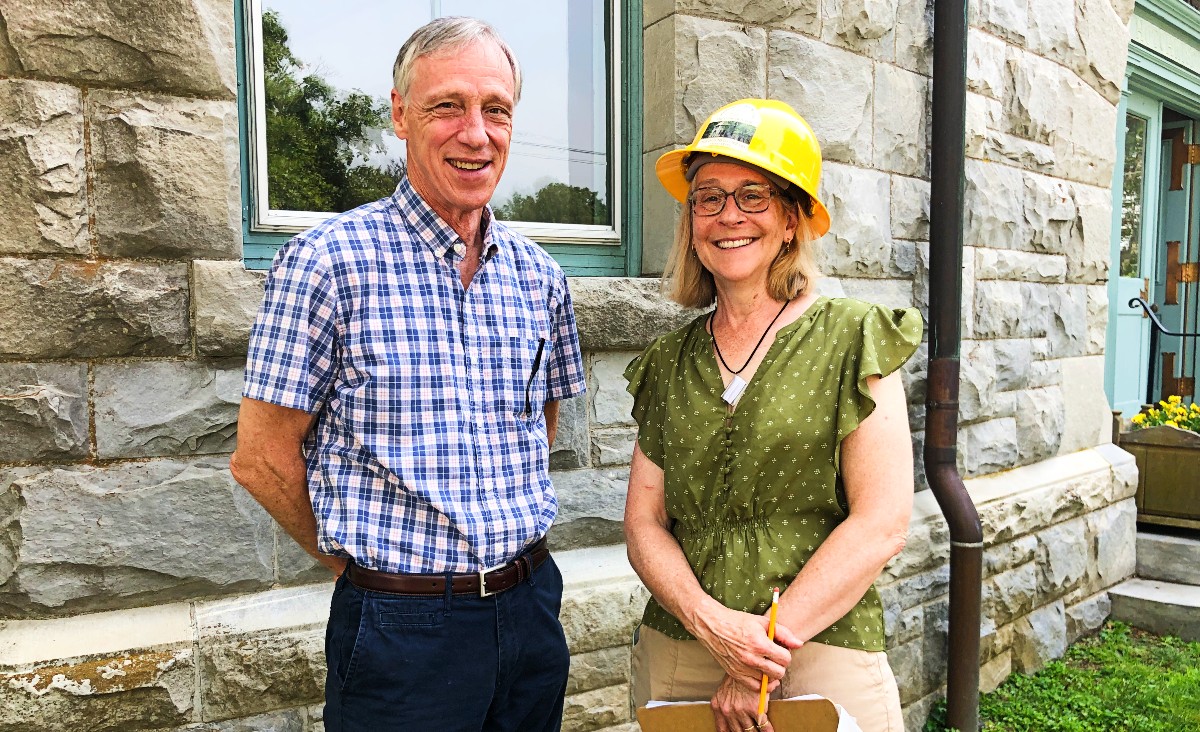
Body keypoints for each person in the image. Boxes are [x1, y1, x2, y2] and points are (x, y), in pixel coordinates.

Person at [230, 17, 585, 732]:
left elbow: (536, 430)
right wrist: (354, 567)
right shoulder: (327, 263)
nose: (476, 133)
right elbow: (260, 458)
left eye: (496, 109)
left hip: (528, 613)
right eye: (447, 106)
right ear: (399, 114)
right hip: (399, 630)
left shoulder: (541, 277)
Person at [623, 99, 922, 732]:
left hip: (818, 650)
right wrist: (713, 626)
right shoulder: (667, 360)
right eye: (708, 197)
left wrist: (758, 653)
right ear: (691, 220)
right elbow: (645, 523)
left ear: (791, 219)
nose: (728, 216)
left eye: (753, 196)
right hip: (682, 647)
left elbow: (882, 522)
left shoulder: (854, 336)